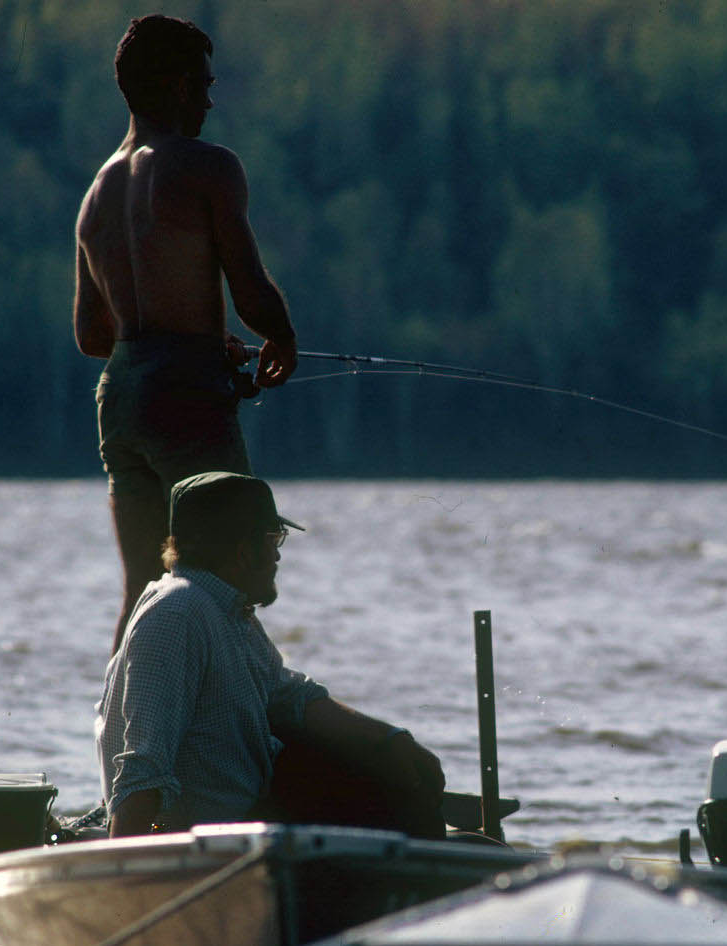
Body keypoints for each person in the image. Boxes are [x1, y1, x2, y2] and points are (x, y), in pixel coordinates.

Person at [74, 14, 299, 652]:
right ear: (175, 86)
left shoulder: (97, 192)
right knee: (234, 574)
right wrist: (280, 338)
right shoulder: (208, 167)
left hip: (120, 397)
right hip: (186, 400)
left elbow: (94, 335)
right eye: (203, 83)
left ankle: (122, 739)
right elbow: (250, 289)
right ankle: (244, 734)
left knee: (142, 588)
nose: (209, 97)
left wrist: (187, 333)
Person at [95, 471, 447, 839]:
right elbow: (142, 767)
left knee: (378, 768)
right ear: (246, 549)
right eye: (274, 538)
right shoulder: (177, 614)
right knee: (388, 798)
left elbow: (292, 698)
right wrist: (122, 877)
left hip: (249, 817)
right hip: (206, 841)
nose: (278, 553)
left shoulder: (227, 611)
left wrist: (392, 741)